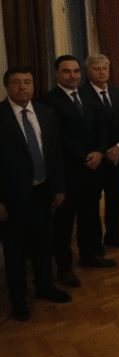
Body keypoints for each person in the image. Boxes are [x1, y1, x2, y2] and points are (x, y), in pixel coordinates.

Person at [0, 68, 71, 321]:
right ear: (7, 86)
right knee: (15, 251)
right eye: (16, 83)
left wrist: (59, 187)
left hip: (43, 191)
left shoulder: (46, 112)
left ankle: (45, 286)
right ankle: (18, 299)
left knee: (43, 244)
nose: (22, 87)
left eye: (27, 82)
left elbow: (55, 153)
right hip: (11, 198)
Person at [42, 55, 114, 288]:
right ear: (56, 74)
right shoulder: (48, 100)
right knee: (64, 224)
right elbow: (57, 137)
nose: (73, 76)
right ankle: (64, 268)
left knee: (90, 215)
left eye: (76, 71)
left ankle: (90, 254)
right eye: (67, 71)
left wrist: (100, 151)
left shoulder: (87, 94)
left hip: (93, 169)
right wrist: (86, 156)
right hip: (68, 172)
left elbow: (102, 126)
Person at [79, 54, 119, 248]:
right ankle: (94, 244)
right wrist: (101, 151)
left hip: (117, 156)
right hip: (94, 158)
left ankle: (113, 235)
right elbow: (84, 130)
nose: (102, 72)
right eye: (97, 69)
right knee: (92, 203)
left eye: (105, 68)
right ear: (88, 72)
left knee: (115, 198)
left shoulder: (118, 92)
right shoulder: (81, 95)